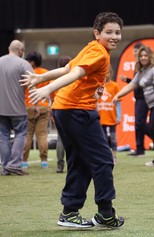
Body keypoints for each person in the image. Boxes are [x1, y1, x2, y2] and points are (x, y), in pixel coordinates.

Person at [20, 12, 125, 228]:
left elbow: (67, 68)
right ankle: (106, 214)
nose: (114, 36)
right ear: (97, 33)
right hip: (77, 111)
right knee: (104, 160)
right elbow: (75, 72)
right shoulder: (99, 53)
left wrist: (41, 77)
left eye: (117, 32)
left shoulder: (92, 47)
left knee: (80, 162)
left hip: (65, 110)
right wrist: (48, 87)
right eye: (109, 32)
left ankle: (69, 213)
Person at [113, 45, 154, 167]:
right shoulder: (141, 71)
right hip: (153, 104)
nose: (143, 57)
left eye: (146, 55)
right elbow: (131, 85)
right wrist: (117, 95)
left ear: (150, 56)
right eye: (141, 56)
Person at [0, 40, 32, 176]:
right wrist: (35, 104)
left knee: (3, 137)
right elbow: (32, 84)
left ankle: (5, 167)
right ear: (21, 51)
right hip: (18, 108)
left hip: (1, 108)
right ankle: (14, 165)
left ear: (9, 48)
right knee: (20, 134)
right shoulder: (24, 64)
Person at [22, 52, 51, 169]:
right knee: (42, 134)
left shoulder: (26, 74)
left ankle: (24, 161)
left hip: (29, 107)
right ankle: (44, 161)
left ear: (32, 62)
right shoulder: (47, 73)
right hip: (44, 107)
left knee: (28, 134)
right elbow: (52, 92)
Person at [120, 42, 148, 157]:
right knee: (139, 124)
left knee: (140, 124)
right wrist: (127, 80)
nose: (135, 55)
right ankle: (139, 148)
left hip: (144, 97)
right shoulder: (138, 65)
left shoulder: (144, 66)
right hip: (139, 97)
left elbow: (141, 82)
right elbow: (136, 82)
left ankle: (148, 146)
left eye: (136, 52)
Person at [98, 66, 121, 164]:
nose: (105, 75)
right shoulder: (99, 86)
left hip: (111, 116)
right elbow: (95, 100)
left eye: (107, 73)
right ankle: (105, 156)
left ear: (111, 73)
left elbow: (118, 102)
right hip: (101, 116)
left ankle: (114, 156)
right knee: (102, 138)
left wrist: (119, 116)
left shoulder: (115, 86)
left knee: (113, 138)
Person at [53, 55, 72, 173]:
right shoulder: (73, 77)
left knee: (60, 139)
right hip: (71, 109)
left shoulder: (55, 78)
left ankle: (60, 165)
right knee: (73, 139)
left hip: (58, 108)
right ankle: (72, 165)